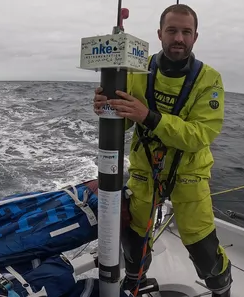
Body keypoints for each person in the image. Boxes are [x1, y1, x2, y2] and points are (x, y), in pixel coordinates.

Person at [93, 4, 232, 297]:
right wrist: (108, 108)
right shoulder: (138, 71)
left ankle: (221, 290)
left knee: (204, 249)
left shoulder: (210, 80)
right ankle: (134, 280)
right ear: (159, 34)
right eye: (172, 30)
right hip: (145, 173)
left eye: (186, 32)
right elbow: (127, 122)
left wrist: (150, 117)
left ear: (195, 37)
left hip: (189, 175)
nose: (178, 38)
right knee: (133, 240)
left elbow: (201, 134)